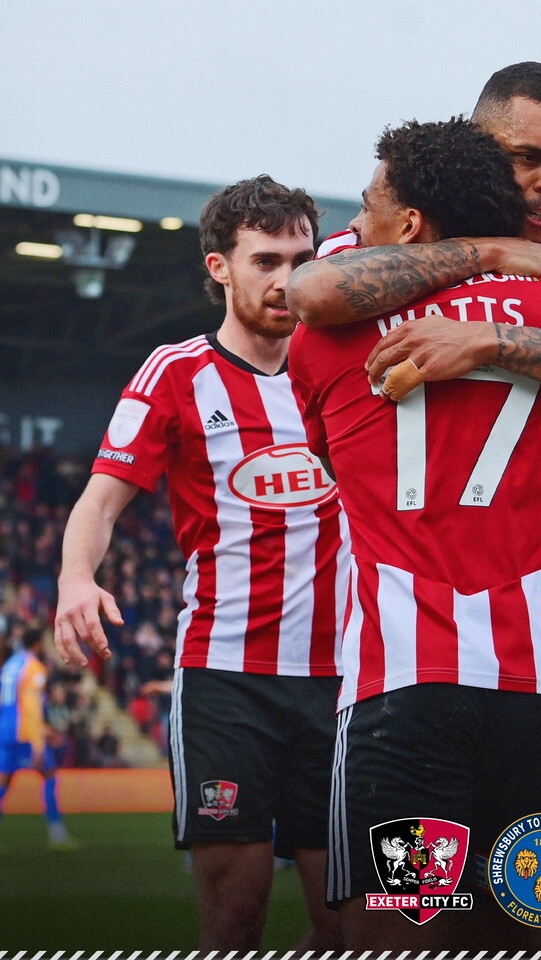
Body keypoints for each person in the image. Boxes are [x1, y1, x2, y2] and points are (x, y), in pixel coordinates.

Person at [286, 62, 541, 950]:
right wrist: (487, 257)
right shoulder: (390, 240)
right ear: (476, 150)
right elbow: (315, 291)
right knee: (500, 907)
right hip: (492, 625)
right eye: (528, 158)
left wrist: (494, 339)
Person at [53, 176, 350, 952]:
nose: (287, 279)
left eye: (302, 259)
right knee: (234, 917)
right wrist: (76, 578)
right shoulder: (176, 372)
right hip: (228, 680)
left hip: (348, 682)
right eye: (265, 261)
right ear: (220, 268)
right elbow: (100, 500)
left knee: (354, 923)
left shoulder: (349, 367)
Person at [0, 629, 75, 850]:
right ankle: (58, 836)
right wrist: (39, 743)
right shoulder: (34, 668)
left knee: (4, 782)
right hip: (24, 733)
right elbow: (31, 708)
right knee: (49, 775)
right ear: (38, 644)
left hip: (5, 731)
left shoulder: (10, 665)